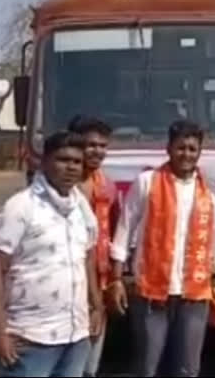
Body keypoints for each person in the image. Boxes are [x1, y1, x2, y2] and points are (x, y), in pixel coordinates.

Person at [107, 120, 215, 377]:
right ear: (168, 148)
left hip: (195, 294)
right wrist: (117, 280)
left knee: (188, 368)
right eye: (181, 148)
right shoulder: (147, 183)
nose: (186, 154)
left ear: (199, 152)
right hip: (152, 293)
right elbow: (124, 231)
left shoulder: (208, 190)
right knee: (147, 366)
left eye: (192, 149)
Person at [0, 131, 104, 378]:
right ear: (44, 161)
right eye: (63, 160)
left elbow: (88, 257)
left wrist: (97, 306)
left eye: (77, 162)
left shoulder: (81, 207)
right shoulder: (20, 207)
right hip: (29, 337)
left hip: (75, 335)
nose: (71, 167)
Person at [68, 115, 119, 378]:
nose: (97, 151)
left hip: (97, 283)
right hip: (63, 284)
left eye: (102, 145)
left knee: (90, 362)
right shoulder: (61, 187)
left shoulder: (107, 187)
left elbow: (114, 228)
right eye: (90, 145)